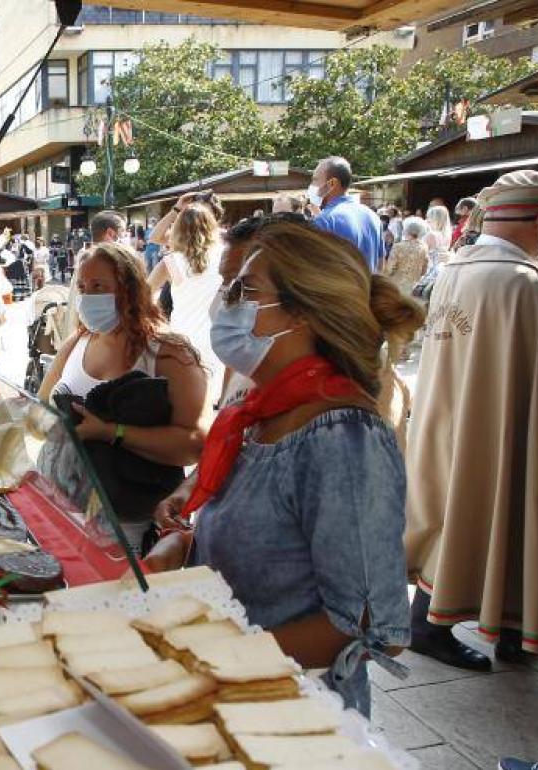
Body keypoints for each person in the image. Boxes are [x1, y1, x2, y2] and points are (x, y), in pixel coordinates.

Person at [145, 221, 424, 716]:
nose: (225, 302)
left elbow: (365, 623)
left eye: (244, 290)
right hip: (228, 691)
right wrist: (186, 544)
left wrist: (207, 656)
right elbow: (273, 540)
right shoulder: (258, 411)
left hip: (294, 710)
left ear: (301, 314)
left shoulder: (343, 439)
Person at [404, 169, 538, 671]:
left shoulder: (455, 268)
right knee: (506, 506)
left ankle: (473, 622)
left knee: (451, 511)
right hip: (495, 427)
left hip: (445, 417)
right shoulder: (522, 285)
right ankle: (486, 626)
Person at [38, 242, 207, 543]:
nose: (88, 296)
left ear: (129, 288)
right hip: (66, 510)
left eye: (99, 286)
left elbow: (194, 445)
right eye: (83, 286)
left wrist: (111, 431)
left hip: (133, 527)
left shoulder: (169, 354)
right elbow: (39, 406)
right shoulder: (76, 343)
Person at [147, 204, 223, 407]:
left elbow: (144, 293)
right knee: (214, 403)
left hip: (183, 338)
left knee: (185, 403)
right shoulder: (225, 256)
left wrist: (176, 208)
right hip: (218, 338)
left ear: (178, 229)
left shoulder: (173, 262)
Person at [307, 156, 384, 272]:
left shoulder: (324, 221)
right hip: (367, 288)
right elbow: (380, 264)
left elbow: (314, 271)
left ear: (332, 183)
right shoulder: (372, 216)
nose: (312, 185)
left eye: (315, 180)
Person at [383, 216, 430, 297]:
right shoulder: (424, 247)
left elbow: (390, 268)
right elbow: (424, 270)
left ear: (406, 230)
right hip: (413, 285)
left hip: (397, 284)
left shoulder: (398, 246)